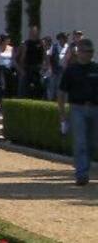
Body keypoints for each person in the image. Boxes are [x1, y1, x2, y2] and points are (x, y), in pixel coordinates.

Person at [57, 38, 97, 186]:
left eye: (91, 51)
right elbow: (61, 93)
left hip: (95, 108)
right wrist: (62, 116)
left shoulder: (96, 68)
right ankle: (82, 174)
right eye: (87, 51)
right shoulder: (71, 70)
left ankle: (85, 166)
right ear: (79, 52)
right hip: (77, 108)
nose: (90, 54)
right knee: (80, 142)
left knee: (92, 143)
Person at [18, 26, 45, 98]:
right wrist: (21, 69)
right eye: (32, 31)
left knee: (39, 85)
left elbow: (44, 55)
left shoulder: (41, 42)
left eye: (35, 31)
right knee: (25, 85)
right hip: (28, 67)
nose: (33, 33)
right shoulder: (26, 43)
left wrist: (44, 66)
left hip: (37, 67)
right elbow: (22, 57)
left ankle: (38, 99)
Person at [0, 35, 15, 102]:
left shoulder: (11, 48)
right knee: (2, 85)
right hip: (0, 69)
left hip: (8, 69)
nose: (8, 40)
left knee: (9, 85)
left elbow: (13, 59)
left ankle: (7, 101)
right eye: (7, 39)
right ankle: (1, 101)